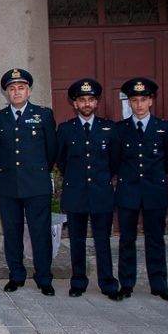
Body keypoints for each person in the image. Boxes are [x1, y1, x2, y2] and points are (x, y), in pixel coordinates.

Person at [0, 68, 57, 296]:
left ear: (28, 91)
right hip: (9, 185)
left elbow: (51, 151)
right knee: (12, 233)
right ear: (6, 92)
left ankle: (44, 277)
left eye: (21, 88)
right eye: (11, 88)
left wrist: (39, 172)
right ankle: (16, 275)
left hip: (36, 185)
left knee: (40, 232)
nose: (16, 92)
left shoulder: (44, 115)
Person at [115, 78, 168, 302]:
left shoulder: (164, 128)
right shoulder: (120, 129)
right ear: (129, 103)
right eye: (135, 100)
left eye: (144, 100)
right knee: (127, 239)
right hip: (128, 192)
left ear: (151, 101)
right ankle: (126, 283)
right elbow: (114, 160)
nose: (139, 105)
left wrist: (156, 177)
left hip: (154, 192)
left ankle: (159, 284)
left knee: (155, 239)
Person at [56, 79, 123, 301]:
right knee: (77, 240)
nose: (86, 104)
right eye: (82, 100)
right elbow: (62, 161)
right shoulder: (66, 130)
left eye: (90, 100)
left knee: (102, 240)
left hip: (101, 193)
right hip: (76, 193)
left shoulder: (109, 129)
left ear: (96, 103)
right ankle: (78, 281)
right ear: (75, 104)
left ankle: (107, 282)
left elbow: (114, 161)